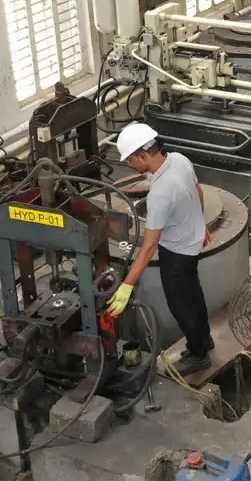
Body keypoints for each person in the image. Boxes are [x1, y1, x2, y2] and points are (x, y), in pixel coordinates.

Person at [108, 122, 214, 375]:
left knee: (181, 304)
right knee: (194, 295)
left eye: (130, 160)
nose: (130, 165)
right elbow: (197, 192)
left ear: (142, 155)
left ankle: (199, 356)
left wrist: (127, 285)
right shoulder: (179, 160)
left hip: (176, 254)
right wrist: (201, 223)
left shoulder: (160, 194)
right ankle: (203, 339)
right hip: (192, 244)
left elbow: (148, 247)